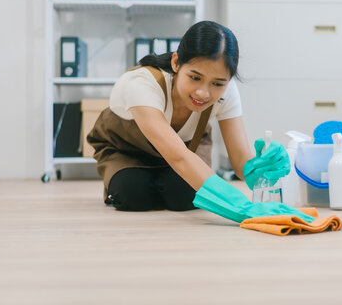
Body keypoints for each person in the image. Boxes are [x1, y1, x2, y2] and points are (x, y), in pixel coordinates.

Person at [87, 20, 314, 223]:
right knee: (132, 194)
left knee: (183, 195)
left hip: (186, 150)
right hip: (128, 151)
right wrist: (241, 207)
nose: (203, 93)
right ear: (176, 62)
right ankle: (130, 181)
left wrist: (258, 168)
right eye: (195, 77)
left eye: (217, 83)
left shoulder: (228, 91)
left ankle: (164, 185)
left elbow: (239, 160)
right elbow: (177, 158)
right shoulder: (141, 84)